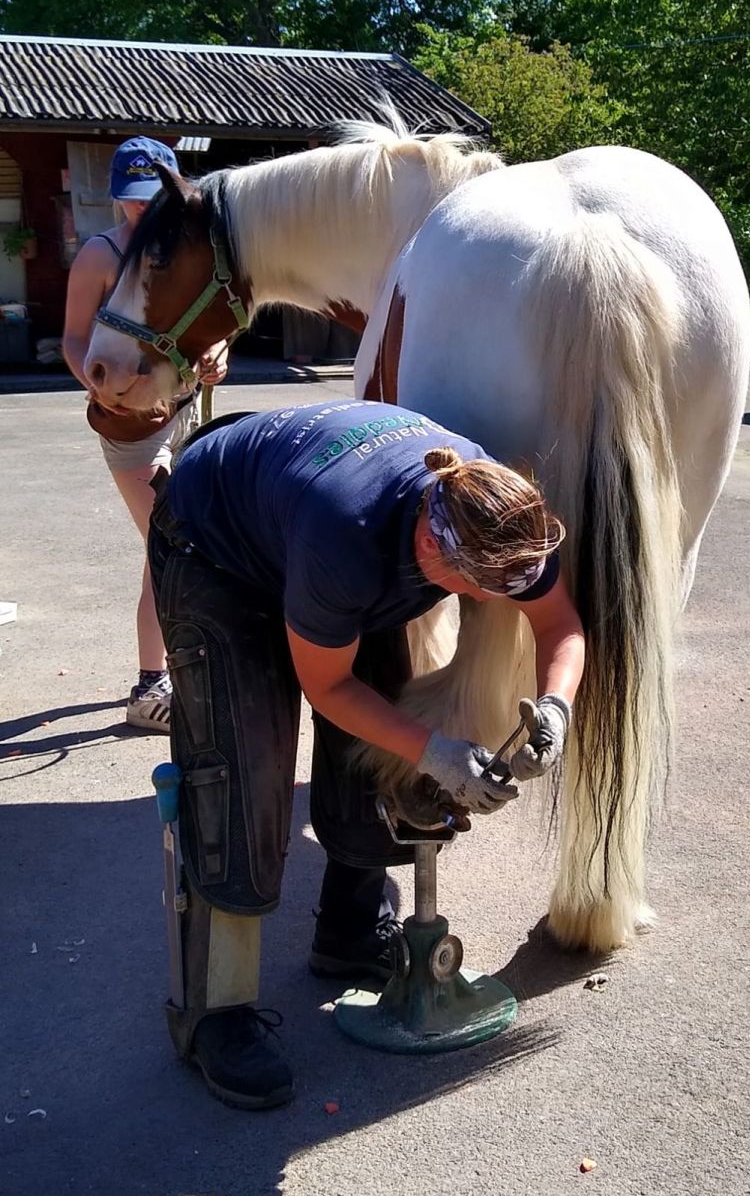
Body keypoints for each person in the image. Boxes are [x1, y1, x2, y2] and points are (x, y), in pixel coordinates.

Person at [148, 398, 585, 1109]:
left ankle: (349, 934)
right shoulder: (345, 534)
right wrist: (438, 753)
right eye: (486, 590)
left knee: (380, 740)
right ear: (436, 557)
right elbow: (326, 685)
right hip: (214, 544)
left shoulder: (499, 512)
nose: (501, 598)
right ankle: (213, 1015)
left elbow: (559, 623)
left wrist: (557, 707)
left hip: (325, 535)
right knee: (241, 768)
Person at [61, 137, 229, 732]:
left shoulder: (183, 250)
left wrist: (216, 354)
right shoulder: (100, 257)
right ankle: (151, 684)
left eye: (152, 198)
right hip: (131, 424)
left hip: (183, 410)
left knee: (166, 545)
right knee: (170, 543)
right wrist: (99, 381)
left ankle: (163, 672)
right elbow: (75, 338)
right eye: (132, 200)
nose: (142, 210)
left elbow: (205, 324)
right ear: (117, 198)